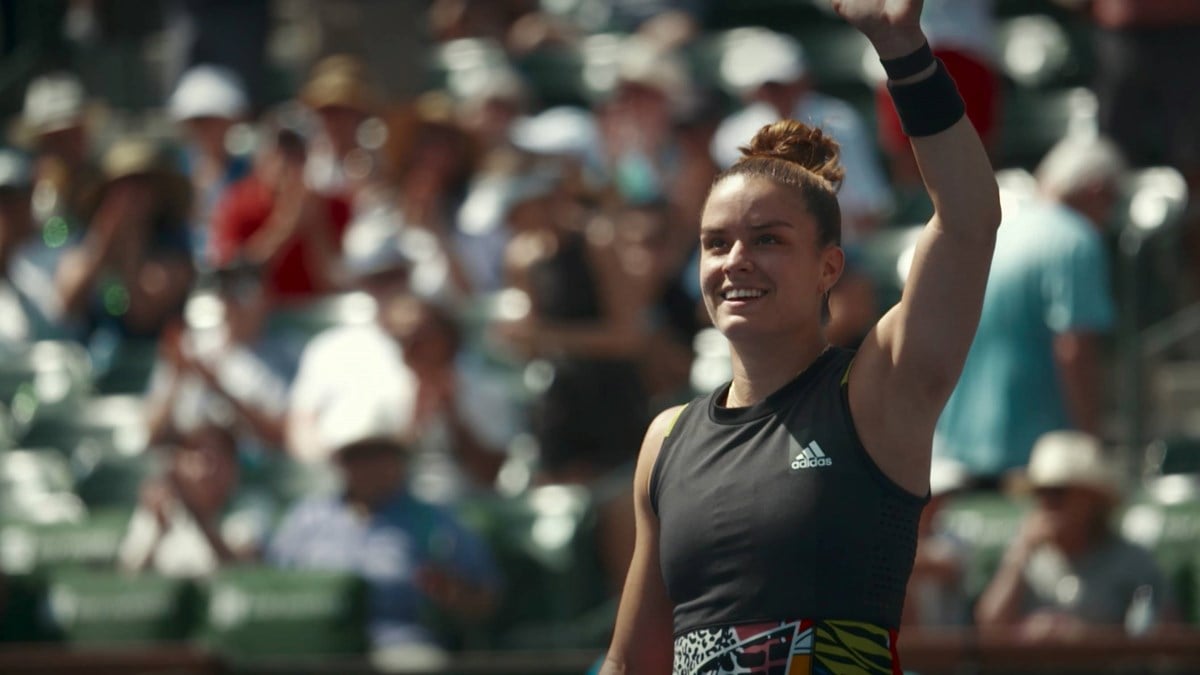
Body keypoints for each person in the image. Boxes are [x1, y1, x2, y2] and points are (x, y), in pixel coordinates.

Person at [600, 0, 1002, 672]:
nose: (736, 261)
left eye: (769, 239)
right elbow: (631, 663)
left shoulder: (876, 391)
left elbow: (969, 220)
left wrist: (902, 49)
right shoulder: (665, 440)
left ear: (829, 267)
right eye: (715, 242)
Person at [934, 135, 1122, 484]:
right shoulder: (1077, 239)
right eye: (1113, 199)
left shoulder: (998, 231)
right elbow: (1074, 349)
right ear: (1096, 190)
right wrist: (1090, 445)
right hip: (1037, 463)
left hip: (958, 450)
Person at [268, 394, 500, 652]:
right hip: (313, 648)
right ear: (341, 461)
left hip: (397, 642)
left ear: (399, 458)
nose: (370, 465)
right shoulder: (306, 519)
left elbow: (486, 598)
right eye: (358, 454)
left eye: (381, 453)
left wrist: (453, 595)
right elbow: (272, 587)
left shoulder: (433, 520)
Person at [975, 431, 1176, 637]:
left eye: (1058, 492)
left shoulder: (1132, 562)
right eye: (1040, 492)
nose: (1048, 503)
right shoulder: (1025, 558)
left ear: (1092, 500)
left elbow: (1157, 637)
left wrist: (1086, 638)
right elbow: (989, 625)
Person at [118, 424, 264, 577]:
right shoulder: (157, 509)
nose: (206, 469)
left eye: (216, 457)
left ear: (234, 468)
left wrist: (200, 519)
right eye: (195, 454)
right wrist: (158, 531)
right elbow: (128, 578)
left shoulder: (252, 508)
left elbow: (244, 574)